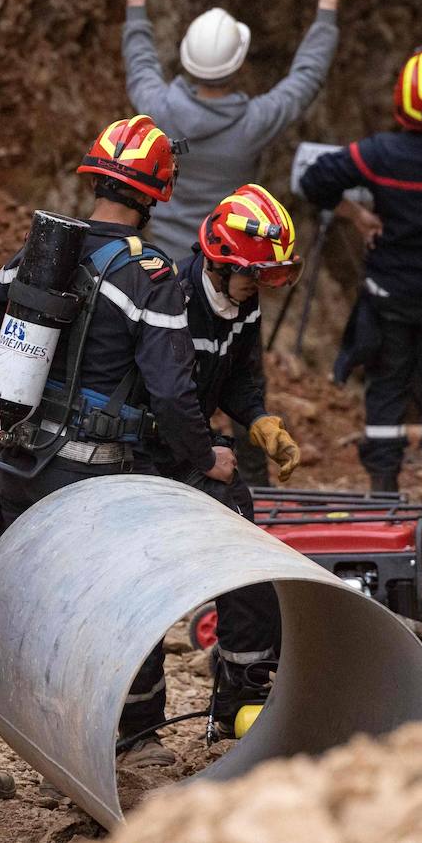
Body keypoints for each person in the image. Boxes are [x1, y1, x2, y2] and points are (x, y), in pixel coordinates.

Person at [0, 115, 233, 781]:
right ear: (156, 194)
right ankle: (132, 742)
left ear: (95, 178)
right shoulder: (151, 274)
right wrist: (205, 456)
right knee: (123, 600)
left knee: (10, 597)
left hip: (17, 458)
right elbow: (171, 391)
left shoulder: (43, 250)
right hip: (92, 473)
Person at [103, 0, 370, 485]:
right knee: (239, 369)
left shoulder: (160, 108)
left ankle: (155, 468)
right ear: (239, 62)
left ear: (187, 58)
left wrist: (135, 0)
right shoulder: (254, 122)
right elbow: (306, 78)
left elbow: (141, 63)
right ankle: (253, 483)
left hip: (160, 269)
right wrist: (327, 3)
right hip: (232, 269)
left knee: (158, 370)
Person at [299, 45, 422, 526]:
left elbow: (314, 181)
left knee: (387, 386)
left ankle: (384, 489)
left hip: (389, 295)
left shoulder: (380, 155)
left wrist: (356, 214)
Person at [175, 183, 304, 733]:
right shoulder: (173, 298)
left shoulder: (242, 303)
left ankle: (239, 698)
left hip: (192, 439)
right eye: (254, 275)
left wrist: (259, 421)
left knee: (250, 564)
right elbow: (164, 393)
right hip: (150, 446)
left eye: (270, 276)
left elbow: (239, 379)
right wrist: (203, 453)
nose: (260, 287)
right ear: (219, 262)